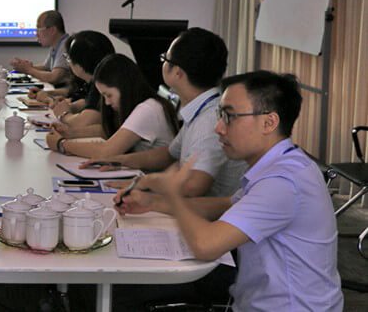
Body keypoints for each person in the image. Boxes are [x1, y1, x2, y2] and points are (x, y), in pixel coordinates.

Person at [116, 71, 343, 311]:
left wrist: (172, 193)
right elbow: (225, 206)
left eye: (229, 116)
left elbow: (205, 245)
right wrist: (152, 202)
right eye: (220, 115)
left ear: (269, 122)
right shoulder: (282, 163)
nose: (219, 128)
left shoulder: (282, 182)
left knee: (127, 295)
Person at [83, 28, 247, 197]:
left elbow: (193, 186)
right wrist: (120, 161)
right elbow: (169, 154)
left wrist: (145, 184)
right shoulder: (201, 107)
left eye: (165, 59)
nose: (162, 63)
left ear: (177, 72)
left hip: (205, 211)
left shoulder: (208, 121)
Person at [47, 53, 179, 157]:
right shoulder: (142, 105)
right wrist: (71, 133)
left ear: (125, 88)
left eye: (109, 95)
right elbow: (109, 132)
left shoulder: (148, 109)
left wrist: (62, 144)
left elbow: (106, 151)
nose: (107, 102)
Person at [35, 30, 115, 138]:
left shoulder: (101, 84)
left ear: (81, 62)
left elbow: (83, 123)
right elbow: (86, 102)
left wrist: (64, 114)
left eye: (68, 58)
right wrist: (68, 106)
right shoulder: (99, 79)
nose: (69, 63)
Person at [10, 10, 71, 87]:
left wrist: (28, 69)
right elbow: (46, 68)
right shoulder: (56, 45)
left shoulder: (65, 45)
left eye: (38, 28)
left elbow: (53, 77)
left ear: (52, 30)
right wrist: (24, 67)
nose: (36, 34)